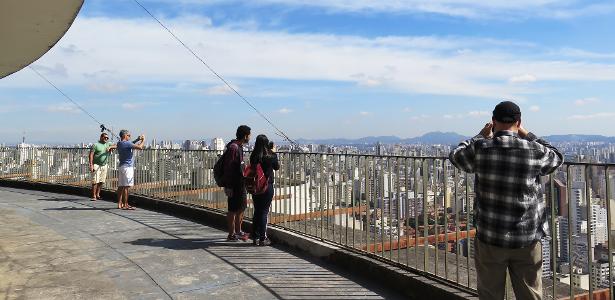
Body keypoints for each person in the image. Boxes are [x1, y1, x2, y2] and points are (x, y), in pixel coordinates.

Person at [449, 101, 563, 300]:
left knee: (490, 293)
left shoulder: (481, 148)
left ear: (493, 122)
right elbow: (557, 157)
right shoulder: (533, 150)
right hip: (526, 238)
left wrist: (480, 135)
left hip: (491, 235)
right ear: (518, 122)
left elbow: (456, 156)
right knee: (530, 294)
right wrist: (526, 133)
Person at [250, 135, 279, 246]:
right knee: (264, 212)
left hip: (256, 186)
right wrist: (273, 152)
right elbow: (276, 167)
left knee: (257, 210)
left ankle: (255, 237)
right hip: (267, 186)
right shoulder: (271, 155)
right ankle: (263, 238)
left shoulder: (254, 155)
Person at [223, 125, 251, 241]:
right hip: (234, 184)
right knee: (232, 209)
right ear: (245, 135)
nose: (250, 137)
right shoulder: (234, 148)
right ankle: (231, 234)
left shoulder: (239, 147)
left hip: (240, 183)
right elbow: (228, 167)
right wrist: (228, 186)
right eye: (249, 135)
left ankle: (238, 231)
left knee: (241, 207)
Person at [116, 129, 145, 210]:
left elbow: (130, 143)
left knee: (121, 186)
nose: (130, 136)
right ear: (124, 135)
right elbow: (140, 147)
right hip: (128, 167)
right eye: (128, 135)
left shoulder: (119, 143)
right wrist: (143, 140)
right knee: (126, 186)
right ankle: (126, 204)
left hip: (122, 166)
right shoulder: (127, 143)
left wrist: (137, 139)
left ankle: (119, 203)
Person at [88, 133, 116, 201]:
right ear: (101, 137)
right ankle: (94, 195)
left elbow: (117, 145)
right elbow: (91, 155)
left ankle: (98, 194)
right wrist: (91, 165)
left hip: (104, 165)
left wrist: (110, 147)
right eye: (105, 137)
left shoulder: (108, 144)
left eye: (107, 138)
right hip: (96, 164)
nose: (106, 139)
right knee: (95, 181)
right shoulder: (95, 145)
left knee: (101, 181)